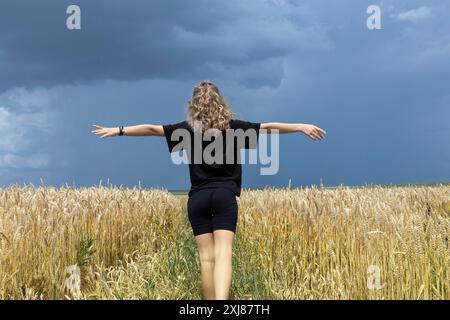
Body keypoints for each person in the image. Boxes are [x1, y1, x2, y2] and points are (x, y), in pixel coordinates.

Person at [91, 80, 326, 300]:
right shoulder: (235, 128)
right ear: (221, 102)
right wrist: (300, 126)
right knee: (224, 254)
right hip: (225, 196)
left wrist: (118, 130)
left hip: (198, 198)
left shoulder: (187, 129)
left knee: (206, 259)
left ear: (193, 105)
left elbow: (153, 130)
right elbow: (268, 127)